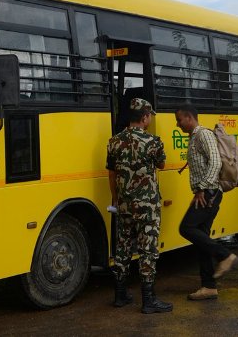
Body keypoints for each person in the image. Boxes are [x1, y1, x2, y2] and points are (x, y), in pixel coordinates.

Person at [106, 98, 172, 314]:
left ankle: (120, 295)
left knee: (123, 247)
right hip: (148, 206)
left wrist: (115, 198)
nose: (150, 119)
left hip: (124, 204)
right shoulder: (154, 141)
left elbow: (111, 172)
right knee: (148, 250)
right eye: (149, 116)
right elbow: (162, 164)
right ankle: (148, 299)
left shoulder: (114, 141)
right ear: (144, 117)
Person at [175, 104, 238, 301]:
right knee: (201, 237)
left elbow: (216, 162)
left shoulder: (203, 135)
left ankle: (224, 255)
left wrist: (202, 188)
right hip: (206, 191)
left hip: (209, 192)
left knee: (186, 228)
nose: (177, 124)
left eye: (179, 120)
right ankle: (209, 286)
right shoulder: (193, 137)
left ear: (189, 118)